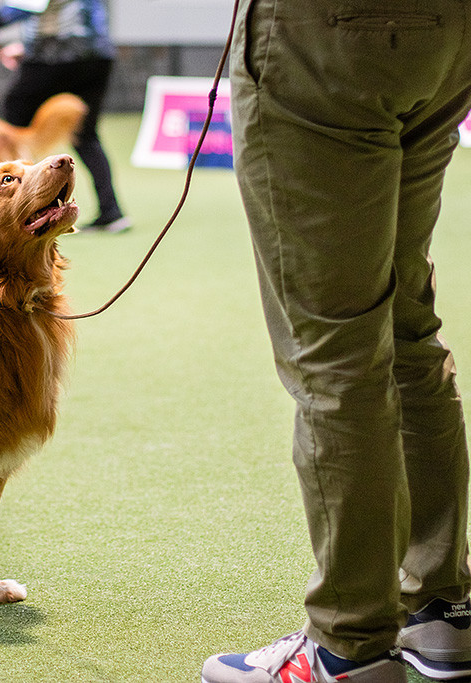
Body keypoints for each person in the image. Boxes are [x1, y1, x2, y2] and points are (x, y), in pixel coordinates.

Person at [201, 0, 471, 681]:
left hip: (324, 31)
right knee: (407, 324)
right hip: (449, 30)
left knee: (336, 352)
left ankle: (346, 646)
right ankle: (438, 606)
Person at [0, 0, 131, 233]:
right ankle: (111, 211)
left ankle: (13, 208)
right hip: (97, 56)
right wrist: (31, 47)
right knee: (85, 134)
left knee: (13, 119)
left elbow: (28, 5)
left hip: (60, 55)